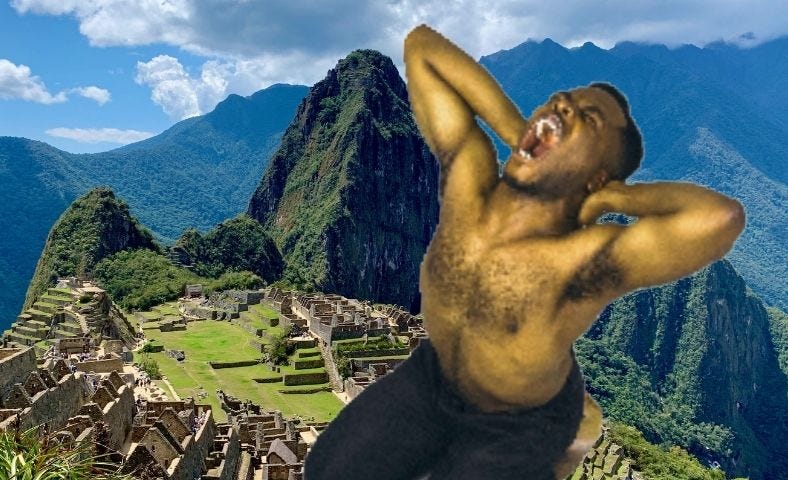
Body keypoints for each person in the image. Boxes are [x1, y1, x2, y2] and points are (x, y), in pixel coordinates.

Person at [303, 24, 745, 480]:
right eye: (561, 103)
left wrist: (618, 198)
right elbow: (422, 48)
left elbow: (720, 218)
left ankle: (572, 425)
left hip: (521, 418)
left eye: (586, 121)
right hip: (435, 378)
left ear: (594, 176)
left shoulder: (585, 256)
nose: (563, 108)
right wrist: (514, 128)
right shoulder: (470, 179)